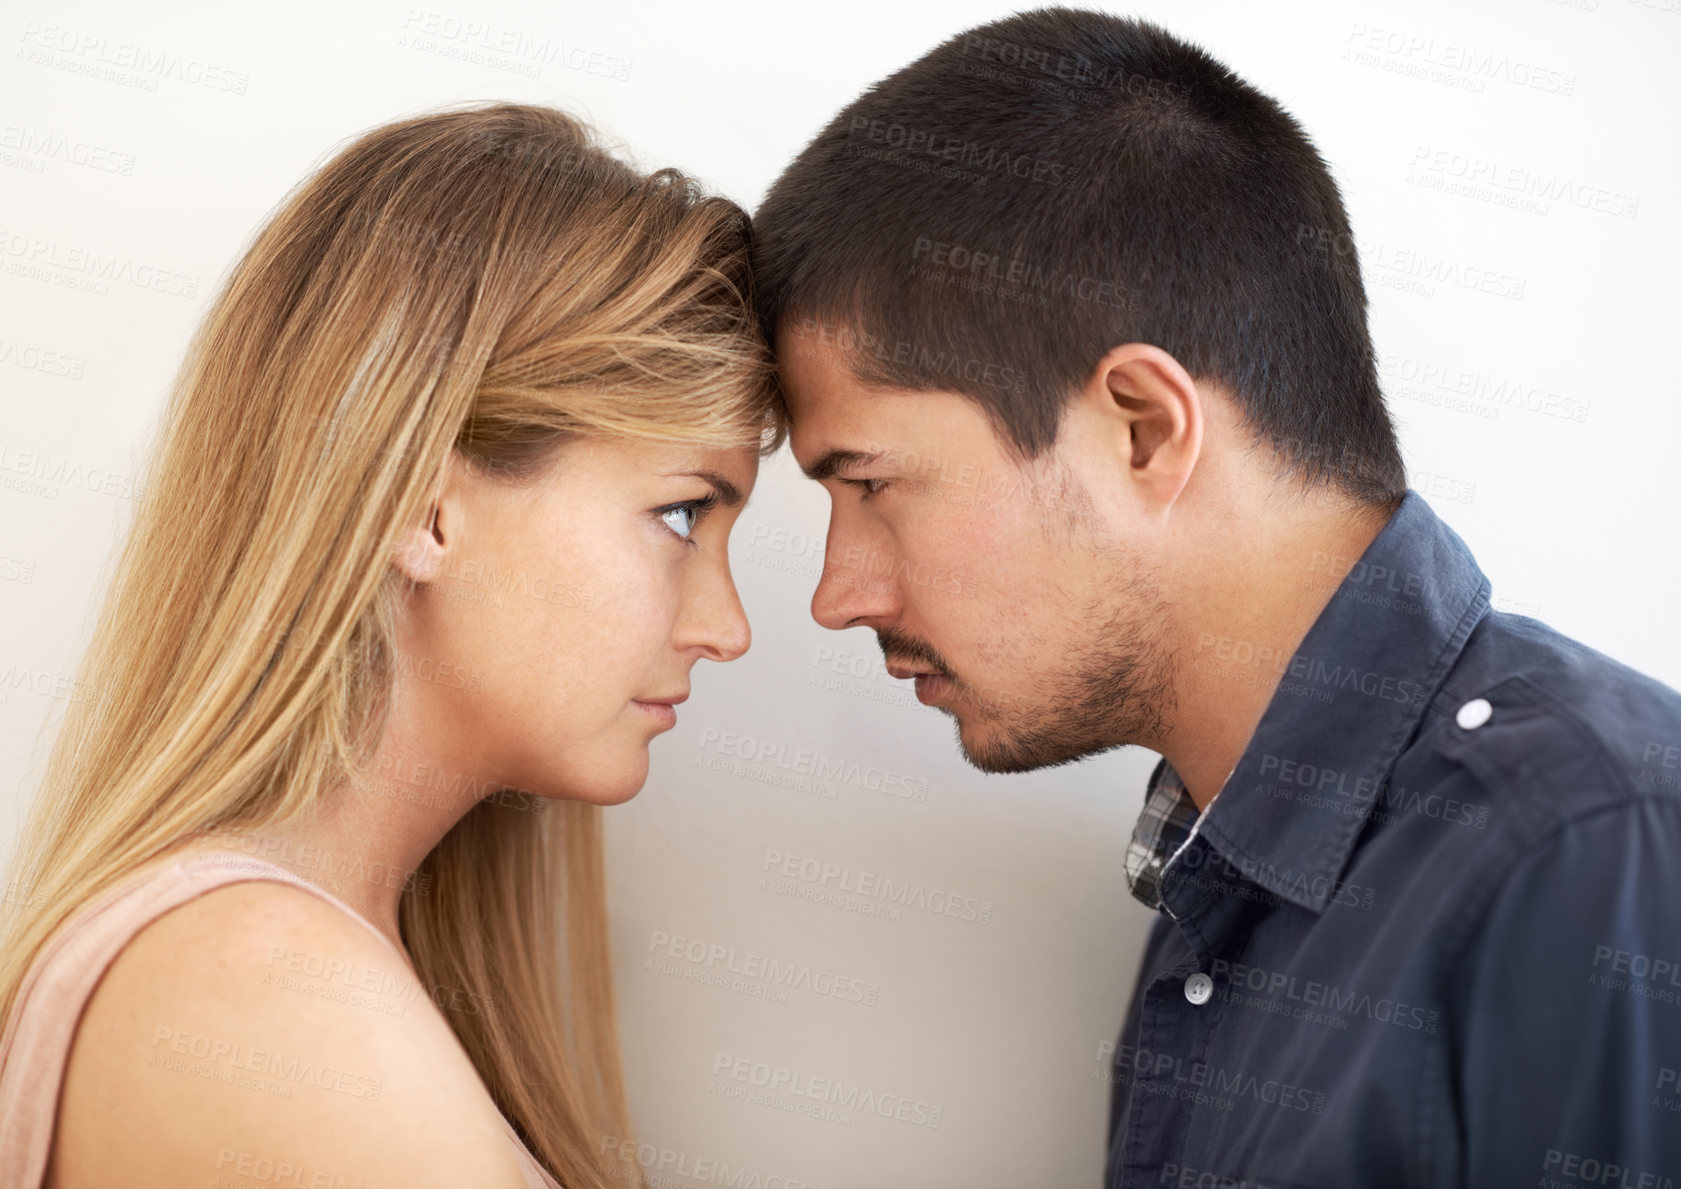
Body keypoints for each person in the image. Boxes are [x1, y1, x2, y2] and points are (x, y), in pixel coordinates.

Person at [751, 8, 1681, 1187]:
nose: (837, 595)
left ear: (1144, 428)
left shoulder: (1590, 852)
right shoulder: (1217, 886)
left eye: (873, 483)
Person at [0, 101, 784, 1189]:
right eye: (683, 514)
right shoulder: (259, 990)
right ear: (423, 507)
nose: (726, 628)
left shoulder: (308, 971)